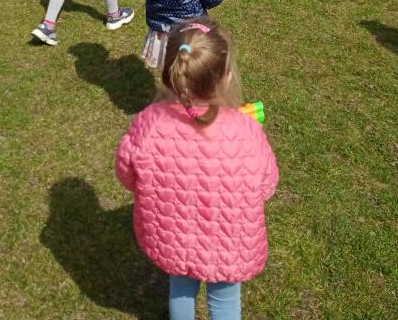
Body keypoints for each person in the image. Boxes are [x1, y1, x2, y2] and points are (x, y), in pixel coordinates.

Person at [116, 18, 279, 320]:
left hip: (173, 236)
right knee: (225, 300)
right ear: (226, 76)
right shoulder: (246, 131)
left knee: (180, 288)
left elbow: (127, 174)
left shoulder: (150, 123)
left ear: (170, 74)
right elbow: (267, 184)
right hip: (230, 241)